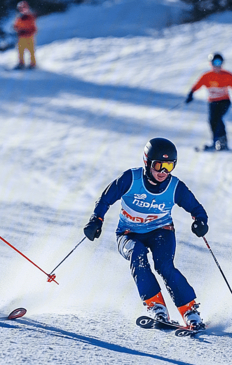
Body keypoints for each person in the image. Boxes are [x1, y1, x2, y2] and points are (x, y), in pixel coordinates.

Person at [83, 138, 208, 330]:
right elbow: (106, 199)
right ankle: (156, 305)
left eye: (169, 166)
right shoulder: (131, 179)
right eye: (159, 165)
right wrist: (96, 220)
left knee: (165, 266)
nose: (163, 172)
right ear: (147, 163)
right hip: (128, 234)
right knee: (137, 254)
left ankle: (190, 311)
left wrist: (200, 222)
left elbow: (197, 208)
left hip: (161, 232)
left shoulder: (175, 187)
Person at [186, 53, 232, 151]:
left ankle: (223, 142)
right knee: (212, 120)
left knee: (218, 118)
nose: (217, 66)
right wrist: (191, 94)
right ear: (211, 64)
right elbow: (197, 85)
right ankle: (215, 141)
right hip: (212, 102)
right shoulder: (207, 76)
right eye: (215, 63)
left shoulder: (227, 75)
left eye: (219, 63)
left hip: (224, 101)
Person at [13, 1, 37, 70]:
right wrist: (19, 31)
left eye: (23, 8)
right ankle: (21, 64)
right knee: (20, 51)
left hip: (29, 37)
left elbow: (34, 29)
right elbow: (15, 26)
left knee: (31, 51)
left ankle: (33, 64)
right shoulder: (19, 18)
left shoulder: (30, 17)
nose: (22, 10)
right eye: (20, 8)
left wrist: (27, 32)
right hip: (21, 38)